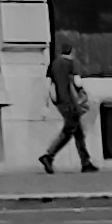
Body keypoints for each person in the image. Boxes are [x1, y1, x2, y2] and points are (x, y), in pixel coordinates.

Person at [35, 41, 94, 171]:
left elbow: (48, 84)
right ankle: (49, 155)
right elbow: (77, 82)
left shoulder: (54, 64)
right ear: (72, 51)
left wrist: (46, 104)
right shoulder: (71, 63)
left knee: (78, 132)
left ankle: (86, 162)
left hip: (60, 102)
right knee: (68, 131)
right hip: (72, 102)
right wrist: (82, 93)